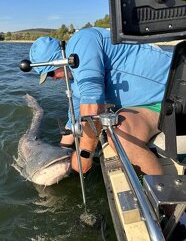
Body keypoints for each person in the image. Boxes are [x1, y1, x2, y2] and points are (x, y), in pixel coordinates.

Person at [29, 27, 172, 175]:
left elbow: (93, 105)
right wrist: (61, 150)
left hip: (173, 89)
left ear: (60, 59)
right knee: (118, 132)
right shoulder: (77, 82)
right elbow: (75, 119)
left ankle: (168, 195)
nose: (53, 78)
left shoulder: (82, 42)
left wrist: (84, 156)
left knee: (120, 137)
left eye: (51, 72)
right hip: (151, 105)